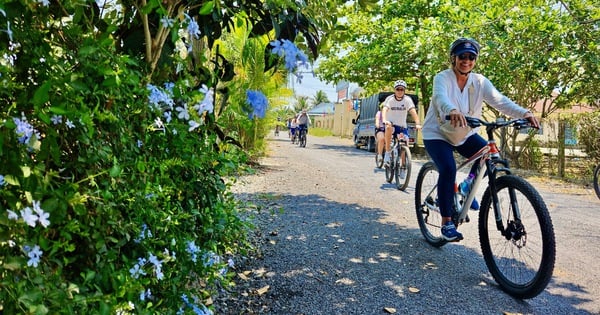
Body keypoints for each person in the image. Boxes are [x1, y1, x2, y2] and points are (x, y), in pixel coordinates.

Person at [421, 37, 539, 241]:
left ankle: (467, 185)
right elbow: (440, 98)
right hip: (437, 133)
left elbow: (500, 100)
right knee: (448, 168)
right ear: (453, 58)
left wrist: (525, 113)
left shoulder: (480, 81)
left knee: (489, 156)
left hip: (464, 132)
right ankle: (447, 222)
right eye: (462, 56)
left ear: (475, 60)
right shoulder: (442, 78)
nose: (466, 60)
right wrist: (452, 110)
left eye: (471, 57)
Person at [382, 80, 421, 178]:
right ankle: (387, 153)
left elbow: (413, 112)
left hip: (402, 126)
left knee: (404, 145)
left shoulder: (407, 100)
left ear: (404, 90)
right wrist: (385, 119)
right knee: (388, 127)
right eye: (398, 89)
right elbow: (385, 109)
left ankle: (403, 167)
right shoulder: (390, 99)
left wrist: (418, 124)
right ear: (394, 90)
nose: (399, 91)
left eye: (402, 89)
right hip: (391, 124)